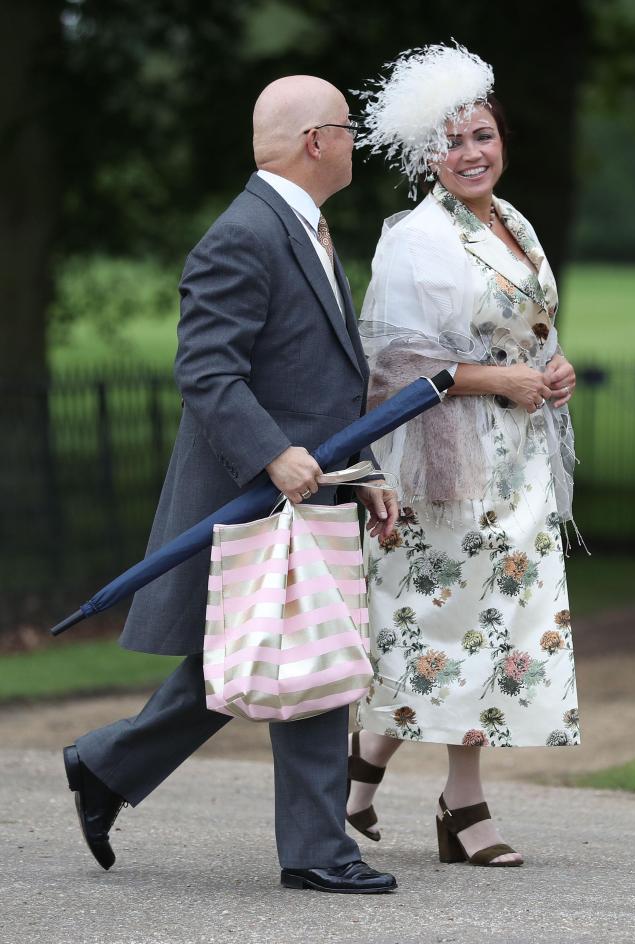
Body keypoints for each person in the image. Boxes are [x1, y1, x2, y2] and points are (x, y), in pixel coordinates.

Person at [63, 75, 399, 895]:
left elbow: (319, 383)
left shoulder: (308, 229)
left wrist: (359, 474)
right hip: (259, 495)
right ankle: (319, 850)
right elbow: (207, 371)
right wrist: (273, 455)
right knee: (298, 654)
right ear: (315, 140)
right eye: (347, 128)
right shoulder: (244, 234)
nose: (356, 140)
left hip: (311, 489)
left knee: (242, 658)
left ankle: (104, 767)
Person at [346, 44, 580, 867]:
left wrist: (551, 371)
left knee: (495, 623)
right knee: (455, 625)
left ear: (500, 136)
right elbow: (400, 369)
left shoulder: (512, 221)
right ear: (425, 156)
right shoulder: (416, 240)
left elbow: (528, 328)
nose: (471, 153)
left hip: (519, 461)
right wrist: (504, 381)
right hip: (448, 465)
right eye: (451, 143)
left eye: (481, 135)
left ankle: (361, 770)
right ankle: (462, 803)